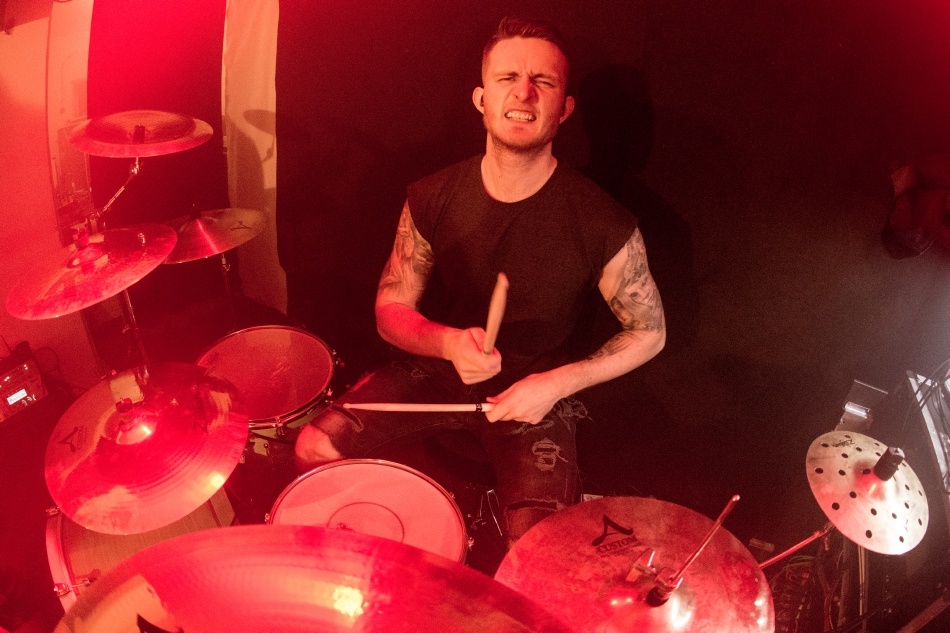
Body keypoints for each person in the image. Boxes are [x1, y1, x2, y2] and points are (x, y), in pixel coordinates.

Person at [295, 16, 666, 548]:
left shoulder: (603, 222)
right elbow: (390, 310)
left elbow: (650, 332)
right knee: (313, 447)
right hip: (437, 372)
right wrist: (447, 343)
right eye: (507, 77)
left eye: (543, 81)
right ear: (481, 98)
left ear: (565, 108)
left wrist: (556, 385)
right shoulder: (433, 195)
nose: (524, 92)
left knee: (538, 549)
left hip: (534, 396)